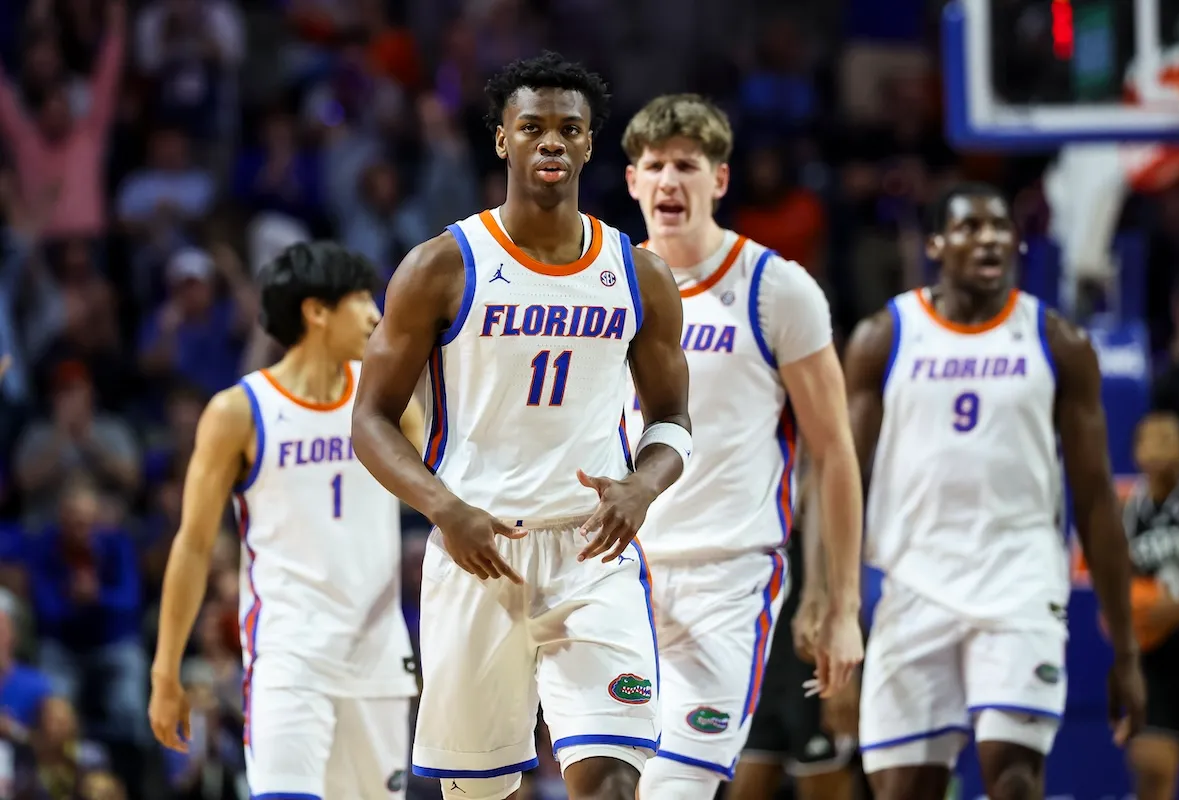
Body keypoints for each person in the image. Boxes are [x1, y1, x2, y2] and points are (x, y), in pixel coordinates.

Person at [351, 52, 692, 800]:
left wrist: (641, 487)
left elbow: (673, 422)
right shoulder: (441, 265)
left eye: (569, 128)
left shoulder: (638, 274)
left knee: (609, 784)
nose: (551, 141)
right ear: (502, 139)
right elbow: (370, 421)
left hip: (592, 550)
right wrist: (444, 510)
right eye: (532, 126)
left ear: (591, 143)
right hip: (479, 550)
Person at [836, 182, 1145, 800]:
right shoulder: (885, 337)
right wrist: (835, 607)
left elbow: (1095, 501)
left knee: (1014, 776)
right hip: (912, 588)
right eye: (970, 227)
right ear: (935, 244)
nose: (990, 239)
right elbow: (844, 486)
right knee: (902, 788)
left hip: (1020, 587)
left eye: (1000, 227)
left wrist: (1126, 645)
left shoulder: (1058, 342)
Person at [618, 93, 863, 799]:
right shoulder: (604, 288)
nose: (670, 181)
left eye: (687, 165)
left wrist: (839, 604)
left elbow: (836, 452)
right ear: (632, 181)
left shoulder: (777, 289)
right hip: (615, 581)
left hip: (727, 580)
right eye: (654, 165)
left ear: (719, 181)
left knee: (671, 789)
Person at [148, 241, 420, 799]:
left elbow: (450, 489)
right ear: (316, 311)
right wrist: (165, 671)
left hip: (379, 657)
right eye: (361, 300)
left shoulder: (387, 398)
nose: (376, 314)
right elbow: (195, 545)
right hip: (288, 656)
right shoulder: (238, 411)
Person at [732, 477, 861, 800]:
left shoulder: (815, 456)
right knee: (748, 779)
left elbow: (831, 495)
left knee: (821, 776)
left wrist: (843, 654)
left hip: (808, 635)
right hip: (757, 638)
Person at [1123, 411, 1179, 800]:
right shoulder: (1131, 507)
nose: (1155, 450)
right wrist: (1119, 616)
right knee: (1152, 766)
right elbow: (1121, 584)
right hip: (1158, 659)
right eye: (1147, 441)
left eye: (1166, 440)